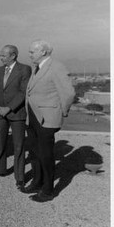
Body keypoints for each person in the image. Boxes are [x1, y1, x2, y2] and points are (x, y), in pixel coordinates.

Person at [23, 40, 75, 202]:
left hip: (47, 119)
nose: (30, 54)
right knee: (34, 151)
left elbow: (68, 94)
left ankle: (48, 190)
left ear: (43, 52)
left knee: (46, 154)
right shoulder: (37, 67)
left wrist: (60, 113)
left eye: (32, 52)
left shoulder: (57, 67)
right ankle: (37, 182)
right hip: (32, 117)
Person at [0, 45, 31, 191]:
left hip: (16, 113)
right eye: (0, 55)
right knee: (0, 142)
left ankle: (19, 177)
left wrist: (9, 108)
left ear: (13, 56)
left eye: (3, 55)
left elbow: (23, 92)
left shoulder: (24, 69)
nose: (0, 58)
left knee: (19, 146)